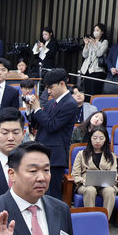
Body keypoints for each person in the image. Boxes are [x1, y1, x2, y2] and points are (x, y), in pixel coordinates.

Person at [26, 68, 78, 199]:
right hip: (42, 151)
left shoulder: (70, 104)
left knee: (52, 193)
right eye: (47, 88)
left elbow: (51, 126)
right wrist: (30, 110)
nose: (49, 91)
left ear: (62, 83)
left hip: (55, 156)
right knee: (39, 192)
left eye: (51, 87)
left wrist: (37, 109)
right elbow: (38, 124)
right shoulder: (51, 102)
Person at [71, 126, 118, 219]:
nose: (97, 141)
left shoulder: (111, 156)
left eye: (101, 138)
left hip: (105, 186)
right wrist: (83, 181)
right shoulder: (81, 154)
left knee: (110, 191)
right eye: (95, 138)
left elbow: (114, 174)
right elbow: (75, 174)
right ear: (90, 138)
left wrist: (111, 181)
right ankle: (90, 220)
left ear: (105, 140)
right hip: (85, 185)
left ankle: (104, 222)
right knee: (90, 190)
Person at [80, 23, 109, 96]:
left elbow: (99, 53)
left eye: (97, 30)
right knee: (86, 91)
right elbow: (84, 55)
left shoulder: (104, 42)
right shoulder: (91, 41)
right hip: (87, 69)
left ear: (102, 32)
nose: (95, 32)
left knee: (94, 91)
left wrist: (94, 43)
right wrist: (86, 44)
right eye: (94, 30)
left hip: (97, 70)